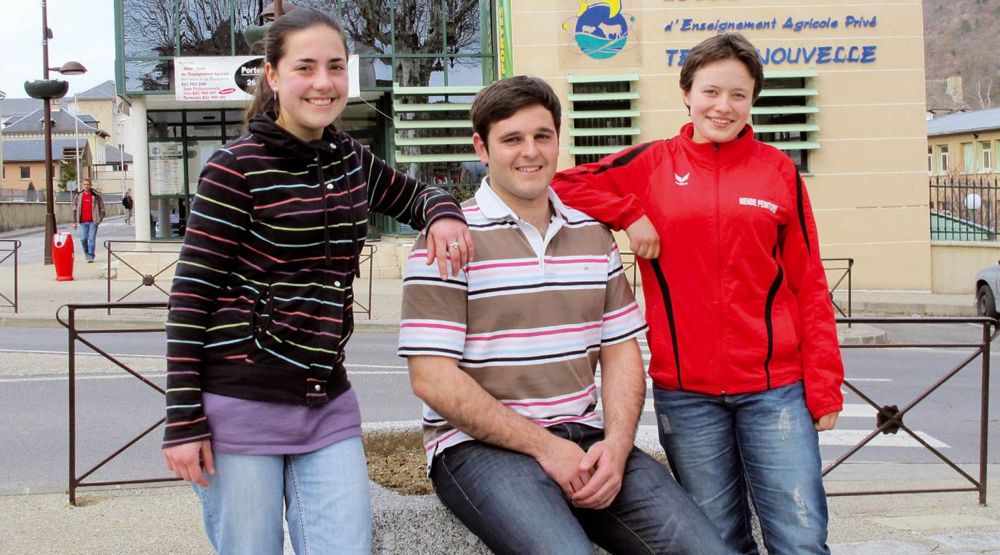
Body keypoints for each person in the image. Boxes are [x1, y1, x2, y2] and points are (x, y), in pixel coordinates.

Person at [160, 8, 472, 555]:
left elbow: (417, 196)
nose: (324, 83)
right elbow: (190, 300)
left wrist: (444, 213)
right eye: (305, 67)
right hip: (241, 404)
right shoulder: (235, 168)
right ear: (274, 76)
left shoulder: (350, 158)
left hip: (326, 400)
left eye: (335, 66)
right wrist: (183, 420)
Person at [398, 76, 732, 555]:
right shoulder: (449, 239)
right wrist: (545, 447)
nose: (529, 152)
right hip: (477, 449)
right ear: (481, 147)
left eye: (542, 136)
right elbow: (432, 380)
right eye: (511, 139)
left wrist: (616, 447)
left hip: (586, 438)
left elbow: (621, 354)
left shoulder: (593, 235)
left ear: (558, 140)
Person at [550, 33, 844, 555]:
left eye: (738, 95)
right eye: (711, 91)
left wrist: (823, 387)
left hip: (775, 389)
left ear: (753, 100)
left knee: (800, 539)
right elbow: (562, 183)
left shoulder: (778, 172)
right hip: (688, 397)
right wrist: (627, 213)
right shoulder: (650, 165)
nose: (723, 106)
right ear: (687, 93)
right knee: (716, 542)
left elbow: (809, 285)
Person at [72, 178, 105, 263]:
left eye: (88, 184)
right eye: (84, 184)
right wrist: (74, 221)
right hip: (83, 222)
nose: (86, 186)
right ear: (82, 185)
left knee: (91, 239)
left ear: (90, 185)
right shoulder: (78, 196)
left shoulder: (96, 196)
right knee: (83, 239)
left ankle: (91, 256)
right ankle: (86, 252)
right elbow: (74, 208)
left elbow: (102, 208)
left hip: (93, 222)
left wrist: (99, 219)